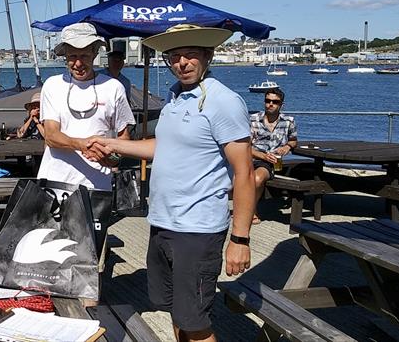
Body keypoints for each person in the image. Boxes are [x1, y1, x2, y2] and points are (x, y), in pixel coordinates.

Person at [87, 24, 255, 342]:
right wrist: (113, 144)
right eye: (175, 56)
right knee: (176, 313)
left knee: (195, 324)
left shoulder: (223, 101)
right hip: (163, 223)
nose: (182, 63)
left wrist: (240, 240)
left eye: (191, 55)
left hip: (198, 231)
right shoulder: (175, 97)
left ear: (208, 55)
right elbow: (162, 147)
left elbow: (245, 173)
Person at [37, 23, 135, 191]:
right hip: (54, 183)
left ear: (95, 53)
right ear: (65, 56)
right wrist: (85, 145)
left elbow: (124, 137)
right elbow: (51, 136)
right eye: (72, 56)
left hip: (97, 186)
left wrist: (113, 158)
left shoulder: (114, 87)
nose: (78, 63)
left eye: (84, 56)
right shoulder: (52, 85)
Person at [250, 88, 298, 224]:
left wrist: (287, 147)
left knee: (257, 178)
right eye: (267, 100)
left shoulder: (289, 121)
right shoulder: (253, 120)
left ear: (281, 104)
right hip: (252, 157)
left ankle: (251, 211)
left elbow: (293, 140)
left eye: (275, 102)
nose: (270, 104)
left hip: (272, 162)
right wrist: (263, 156)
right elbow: (245, 147)